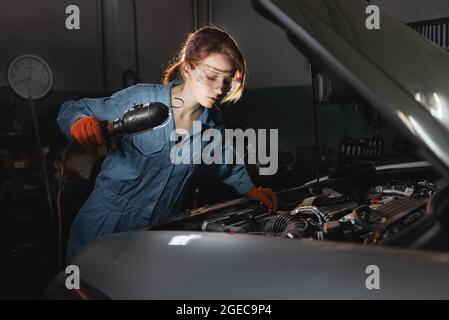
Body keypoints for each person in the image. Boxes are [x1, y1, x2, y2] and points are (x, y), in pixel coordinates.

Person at [57, 26, 279, 263]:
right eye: (212, 76)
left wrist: (249, 188)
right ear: (188, 68)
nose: (220, 89)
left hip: (159, 230)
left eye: (227, 80)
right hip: (107, 222)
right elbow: (72, 109)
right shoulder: (141, 99)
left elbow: (223, 161)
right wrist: (80, 122)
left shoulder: (212, 121)